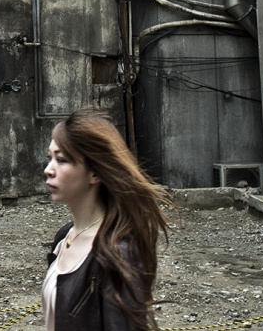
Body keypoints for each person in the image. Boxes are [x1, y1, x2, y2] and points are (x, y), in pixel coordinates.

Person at [42, 108, 169, 331]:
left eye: (61, 160)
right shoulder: (64, 238)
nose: (48, 170)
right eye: (50, 158)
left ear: (95, 173)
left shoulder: (117, 254)